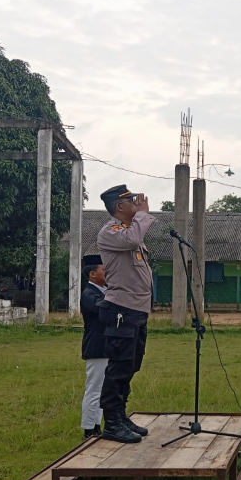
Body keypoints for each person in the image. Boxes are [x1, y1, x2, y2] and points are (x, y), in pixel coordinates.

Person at [96, 185, 156, 443]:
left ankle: (120, 415)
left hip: (137, 310)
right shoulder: (111, 232)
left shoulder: (131, 233)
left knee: (131, 365)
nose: (137, 203)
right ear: (119, 206)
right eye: (132, 201)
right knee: (119, 366)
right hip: (121, 309)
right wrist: (143, 215)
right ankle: (111, 422)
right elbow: (131, 240)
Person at [80, 254, 108, 439]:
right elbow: (104, 310)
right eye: (104, 269)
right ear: (92, 274)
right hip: (97, 347)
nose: (108, 273)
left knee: (104, 389)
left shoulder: (103, 291)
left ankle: (97, 426)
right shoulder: (89, 294)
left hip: (107, 347)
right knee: (94, 389)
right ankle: (89, 429)